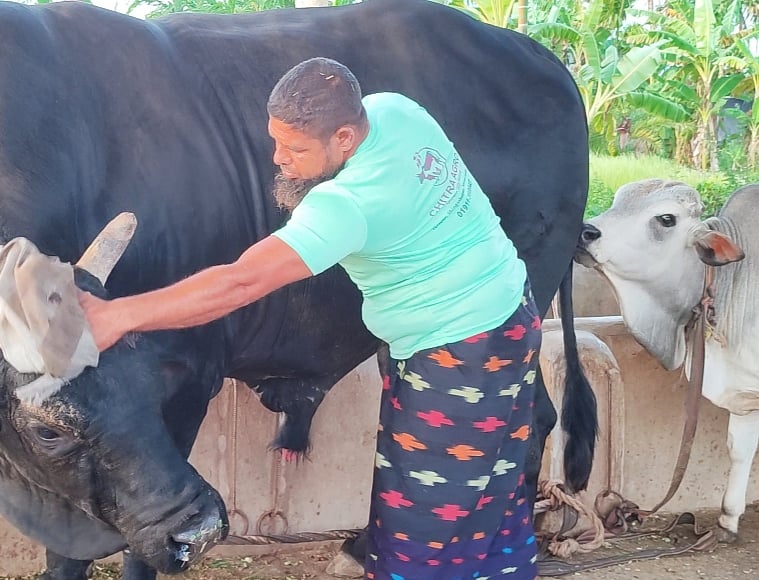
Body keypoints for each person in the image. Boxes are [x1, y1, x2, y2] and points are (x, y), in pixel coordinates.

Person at [79, 56, 541, 580]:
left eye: (296, 148)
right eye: (276, 141)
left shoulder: (349, 205)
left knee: (423, 521)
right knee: (491, 496)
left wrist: (115, 315)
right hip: (510, 311)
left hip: (460, 354)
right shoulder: (395, 110)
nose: (279, 159)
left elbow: (240, 282)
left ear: (345, 137)